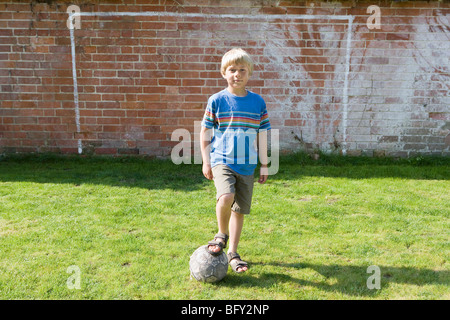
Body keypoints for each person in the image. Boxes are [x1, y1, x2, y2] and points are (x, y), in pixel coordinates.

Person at [200, 48, 271, 273]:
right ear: (224, 73)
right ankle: (221, 235)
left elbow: (263, 134)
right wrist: (206, 161)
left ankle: (233, 252)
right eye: (232, 70)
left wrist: (265, 164)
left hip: (247, 164)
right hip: (222, 160)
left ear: (249, 73)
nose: (237, 74)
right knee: (226, 196)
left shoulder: (257, 102)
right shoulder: (217, 100)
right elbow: (205, 132)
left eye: (242, 70)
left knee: (239, 210)